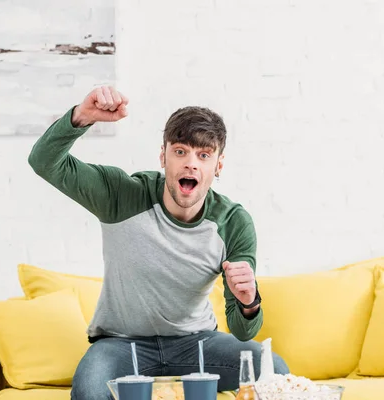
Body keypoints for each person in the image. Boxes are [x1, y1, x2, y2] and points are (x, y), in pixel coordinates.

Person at [28, 86, 289, 399]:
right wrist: (81, 117)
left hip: (198, 344)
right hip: (121, 345)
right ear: (163, 156)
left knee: (275, 372)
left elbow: (244, 331)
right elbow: (43, 162)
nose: (191, 163)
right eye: (180, 151)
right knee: (89, 388)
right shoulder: (121, 195)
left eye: (203, 155)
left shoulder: (233, 222)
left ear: (217, 166)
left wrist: (249, 301)